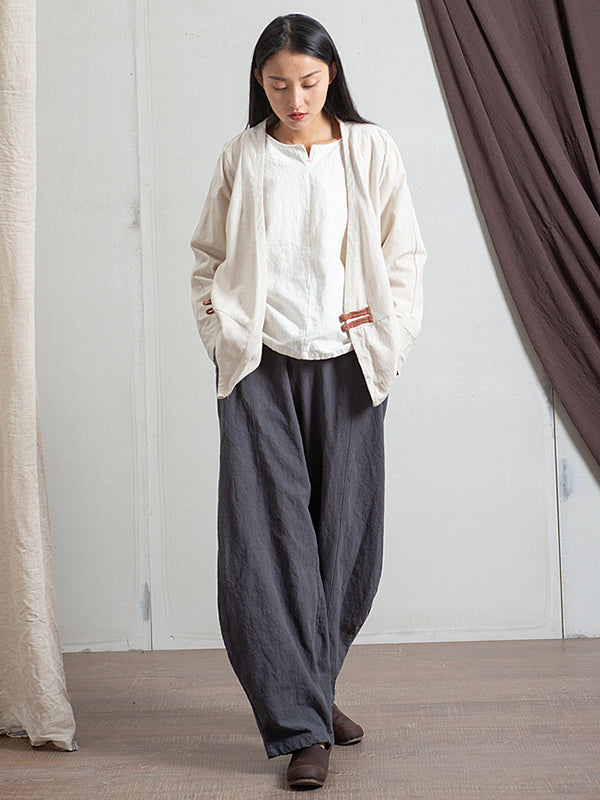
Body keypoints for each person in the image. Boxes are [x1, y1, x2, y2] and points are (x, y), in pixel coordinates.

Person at [190, 13, 426, 790]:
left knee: (347, 541)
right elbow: (208, 258)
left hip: (350, 366)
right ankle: (303, 728)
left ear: (332, 78)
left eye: (309, 82)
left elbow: (403, 254)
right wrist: (223, 331)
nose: (294, 99)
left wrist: (386, 334)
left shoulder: (370, 149)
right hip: (260, 367)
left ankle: (313, 690)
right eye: (277, 84)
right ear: (259, 83)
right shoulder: (242, 156)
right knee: (266, 543)